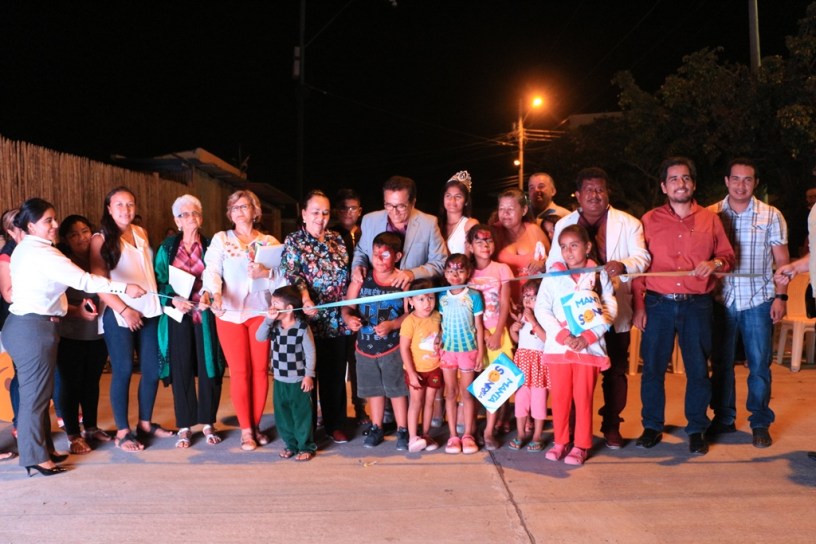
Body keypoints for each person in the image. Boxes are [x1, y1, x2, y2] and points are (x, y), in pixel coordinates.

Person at [5, 198, 144, 476]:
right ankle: (35, 457)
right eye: (48, 221)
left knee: (41, 396)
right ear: (31, 226)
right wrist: (124, 288)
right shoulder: (43, 253)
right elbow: (83, 280)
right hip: (33, 328)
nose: (55, 224)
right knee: (35, 397)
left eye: (55, 219)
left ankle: (43, 450)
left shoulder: (30, 248)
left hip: (30, 326)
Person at [632, 157, 735, 456]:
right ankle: (652, 426)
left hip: (697, 306)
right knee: (652, 369)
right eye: (674, 179)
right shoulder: (648, 220)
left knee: (698, 370)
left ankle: (697, 429)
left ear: (694, 183)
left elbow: (727, 257)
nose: (681, 183)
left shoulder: (710, 219)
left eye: (686, 178)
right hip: (657, 305)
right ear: (664, 186)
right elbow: (640, 266)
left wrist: (714, 263)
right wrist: (639, 305)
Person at [545, 167, 651, 449]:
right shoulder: (563, 224)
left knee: (615, 370)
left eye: (600, 189)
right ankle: (571, 432)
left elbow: (643, 256)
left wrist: (624, 265)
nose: (594, 195)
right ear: (578, 195)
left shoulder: (629, 223)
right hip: (571, 319)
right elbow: (553, 266)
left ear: (608, 193)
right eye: (588, 190)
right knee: (574, 376)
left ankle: (612, 425)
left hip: (610, 310)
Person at [707, 159, 788, 449]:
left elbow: (781, 261)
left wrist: (781, 297)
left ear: (755, 183)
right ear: (727, 181)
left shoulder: (771, 215)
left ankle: (760, 421)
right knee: (721, 364)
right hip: (721, 300)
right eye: (736, 179)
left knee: (759, 365)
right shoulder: (710, 214)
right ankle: (724, 418)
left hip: (759, 299)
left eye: (748, 180)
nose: (742, 185)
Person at [90, 186, 172, 452]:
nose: (126, 209)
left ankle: (145, 423)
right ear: (108, 208)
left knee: (151, 370)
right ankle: (123, 431)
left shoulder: (141, 233)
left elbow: (146, 273)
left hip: (148, 309)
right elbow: (98, 283)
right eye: (119, 204)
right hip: (119, 313)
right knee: (123, 370)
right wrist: (124, 310)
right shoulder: (100, 238)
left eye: (130, 204)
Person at [202, 189, 281, 451]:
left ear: (255, 211)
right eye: (234, 207)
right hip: (230, 313)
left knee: (260, 370)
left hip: (260, 312)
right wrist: (214, 293)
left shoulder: (269, 241)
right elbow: (211, 269)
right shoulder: (221, 240)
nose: (238, 210)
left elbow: (282, 277)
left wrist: (266, 272)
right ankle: (246, 430)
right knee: (239, 371)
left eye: (244, 206)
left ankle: (256, 426)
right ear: (229, 213)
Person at [536, 225, 617, 465]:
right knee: (560, 398)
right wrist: (562, 335)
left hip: (587, 350)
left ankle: (581, 445)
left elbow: (610, 307)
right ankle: (561, 441)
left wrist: (588, 338)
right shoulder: (553, 276)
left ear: (587, 247)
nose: (569, 251)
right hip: (560, 349)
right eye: (563, 246)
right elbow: (542, 308)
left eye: (574, 245)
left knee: (583, 398)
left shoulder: (598, 275)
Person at [155, 195, 225, 449]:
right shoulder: (166, 248)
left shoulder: (212, 246)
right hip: (178, 313)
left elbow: (221, 275)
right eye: (184, 214)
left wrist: (210, 295)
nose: (190, 217)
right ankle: (184, 424)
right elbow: (158, 281)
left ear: (201, 217)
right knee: (181, 366)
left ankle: (207, 422)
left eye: (195, 213)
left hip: (206, 313)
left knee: (209, 367)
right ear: (176, 220)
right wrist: (173, 299)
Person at [281, 190, 351, 444]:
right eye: (315, 212)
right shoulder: (294, 241)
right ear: (303, 213)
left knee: (334, 375)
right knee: (306, 376)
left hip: (335, 319)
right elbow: (293, 274)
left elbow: (346, 274)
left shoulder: (337, 239)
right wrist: (305, 297)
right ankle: (305, 429)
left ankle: (335, 424)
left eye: (325, 213)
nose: (320, 218)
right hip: (307, 320)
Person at [341, 232, 409, 450]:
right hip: (365, 348)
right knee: (374, 391)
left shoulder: (403, 282)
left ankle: (403, 429)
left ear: (398, 256)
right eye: (375, 253)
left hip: (393, 348)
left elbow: (412, 313)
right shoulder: (362, 279)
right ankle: (377, 426)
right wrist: (348, 318)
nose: (379, 259)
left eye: (385, 254)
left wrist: (393, 324)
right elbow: (347, 307)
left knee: (397, 390)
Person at [55, 215, 112, 455]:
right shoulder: (62, 262)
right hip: (69, 334)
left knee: (92, 382)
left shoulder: (100, 258)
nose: (81, 238)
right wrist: (76, 312)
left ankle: (91, 427)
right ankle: (73, 435)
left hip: (98, 334)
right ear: (66, 240)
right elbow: (54, 301)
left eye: (85, 231)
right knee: (69, 384)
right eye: (74, 234)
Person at [352, 175, 448, 289]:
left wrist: (412, 274)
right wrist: (358, 265)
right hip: (376, 293)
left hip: (412, 295)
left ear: (413, 203)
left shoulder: (429, 223)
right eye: (388, 205)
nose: (394, 212)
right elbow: (361, 251)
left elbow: (440, 263)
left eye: (401, 206)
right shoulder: (370, 220)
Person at [255, 285, 317, 462]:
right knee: (282, 415)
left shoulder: (302, 328)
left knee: (301, 414)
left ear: (289, 308)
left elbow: (310, 352)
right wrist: (267, 320)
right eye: (271, 303)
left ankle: (306, 446)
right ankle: (290, 445)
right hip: (279, 379)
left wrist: (309, 375)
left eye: (276, 303)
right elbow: (259, 337)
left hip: (298, 380)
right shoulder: (273, 325)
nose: (272, 307)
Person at [467, 224, 514, 450]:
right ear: (469, 246)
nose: (485, 245)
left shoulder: (502, 269)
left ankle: (489, 431)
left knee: (495, 384)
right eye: (479, 241)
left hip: (498, 333)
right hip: (472, 335)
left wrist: (496, 333)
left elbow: (505, 302)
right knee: (474, 383)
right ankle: (471, 428)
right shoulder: (465, 271)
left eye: (488, 241)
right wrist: (482, 332)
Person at [438, 253, 484, 455]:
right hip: (448, 351)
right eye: (450, 270)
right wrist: (438, 340)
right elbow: (440, 324)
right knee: (450, 392)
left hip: (468, 351)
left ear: (468, 273)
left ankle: (468, 434)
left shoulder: (473, 295)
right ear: (445, 273)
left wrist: (481, 352)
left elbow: (479, 327)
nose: (454, 275)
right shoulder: (441, 296)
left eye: (460, 270)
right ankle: (453, 436)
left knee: (466, 393)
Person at [332, 188, 367, 425]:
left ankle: (360, 407)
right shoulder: (330, 235)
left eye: (353, 208)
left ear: (360, 211)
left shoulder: (366, 234)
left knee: (358, 361)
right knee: (336, 361)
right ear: (337, 211)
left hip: (361, 304)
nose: (348, 212)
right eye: (344, 208)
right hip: (335, 305)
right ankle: (336, 412)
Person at [400, 278, 443, 453]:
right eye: (421, 299)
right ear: (411, 301)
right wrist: (411, 372)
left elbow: (440, 333)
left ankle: (425, 435)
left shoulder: (437, 316)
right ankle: (412, 438)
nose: (427, 303)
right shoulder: (409, 322)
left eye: (431, 298)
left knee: (430, 402)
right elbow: (404, 349)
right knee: (416, 402)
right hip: (416, 370)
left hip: (434, 367)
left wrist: (440, 338)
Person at [508, 279, 548, 453]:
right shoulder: (522, 316)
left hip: (539, 364)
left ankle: (537, 435)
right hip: (522, 363)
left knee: (539, 402)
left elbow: (547, 340)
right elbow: (521, 342)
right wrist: (512, 331)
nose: (527, 300)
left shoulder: (546, 317)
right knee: (521, 401)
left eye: (533, 296)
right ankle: (521, 433)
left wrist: (533, 321)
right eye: (525, 296)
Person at [491, 188, 550, 301]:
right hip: (504, 300)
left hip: (536, 299)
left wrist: (543, 265)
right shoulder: (493, 233)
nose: (505, 213)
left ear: (524, 210)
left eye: (510, 209)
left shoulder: (534, 230)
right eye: (501, 209)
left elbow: (554, 262)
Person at [0, 208, 24, 444]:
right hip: (13, 322)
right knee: (20, 375)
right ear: (9, 231)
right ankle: (19, 424)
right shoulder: (8, 254)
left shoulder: (28, 250)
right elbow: (8, 294)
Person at [439, 170, 479, 255]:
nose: (452, 200)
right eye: (448, 196)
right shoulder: (436, 224)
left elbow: (470, 259)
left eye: (458, 196)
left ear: (466, 201)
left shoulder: (469, 224)